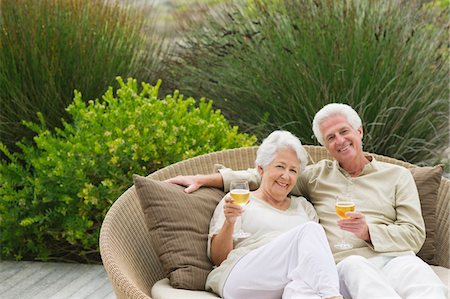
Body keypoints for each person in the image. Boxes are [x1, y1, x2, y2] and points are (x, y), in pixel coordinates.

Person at [167, 103, 448, 298]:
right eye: (330, 137)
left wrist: (369, 232)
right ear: (325, 146)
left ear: (359, 131)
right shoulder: (315, 177)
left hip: (395, 257)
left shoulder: (398, 176)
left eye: (344, 131)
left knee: (424, 282)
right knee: (355, 268)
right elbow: (267, 176)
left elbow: (415, 235)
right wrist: (208, 179)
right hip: (345, 264)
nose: (339, 140)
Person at [204, 130, 342, 299]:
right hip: (241, 276)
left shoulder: (304, 207)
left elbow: (314, 259)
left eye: (293, 170)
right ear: (261, 169)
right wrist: (229, 223)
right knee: (310, 230)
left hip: (286, 283)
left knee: (304, 288)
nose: (286, 176)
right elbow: (219, 258)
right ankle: (333, 296)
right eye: (280, 166)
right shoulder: (239, 200)